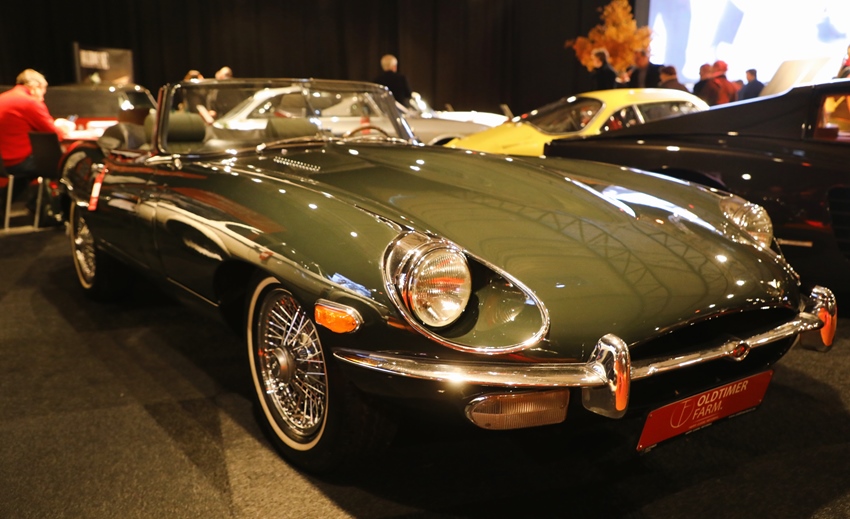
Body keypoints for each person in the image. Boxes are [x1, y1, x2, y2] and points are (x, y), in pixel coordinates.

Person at [0, 69, 71, 182]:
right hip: (18, 162)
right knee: (66, 163)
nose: (43, 98)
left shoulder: (2, 97)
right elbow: (54, 134)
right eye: (43, 92)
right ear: (36, 87)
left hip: (2, 164)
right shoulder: (30, 102)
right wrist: (64, 129)